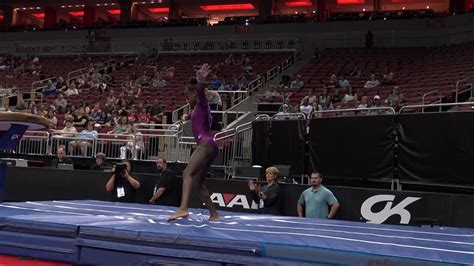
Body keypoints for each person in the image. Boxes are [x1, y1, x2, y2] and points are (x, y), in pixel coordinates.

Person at [168, 64, 220, 221]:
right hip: (211, 146)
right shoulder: (198, 109)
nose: (186, 100)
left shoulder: (202, 104)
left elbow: (202, 96)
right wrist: (187, 117)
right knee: (197, 182)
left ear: (195, 94)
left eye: (187, 97)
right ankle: (214, 214)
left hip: (205, 144)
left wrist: (201, 81)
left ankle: (183, 209)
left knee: (187, 173)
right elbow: (196, 116)